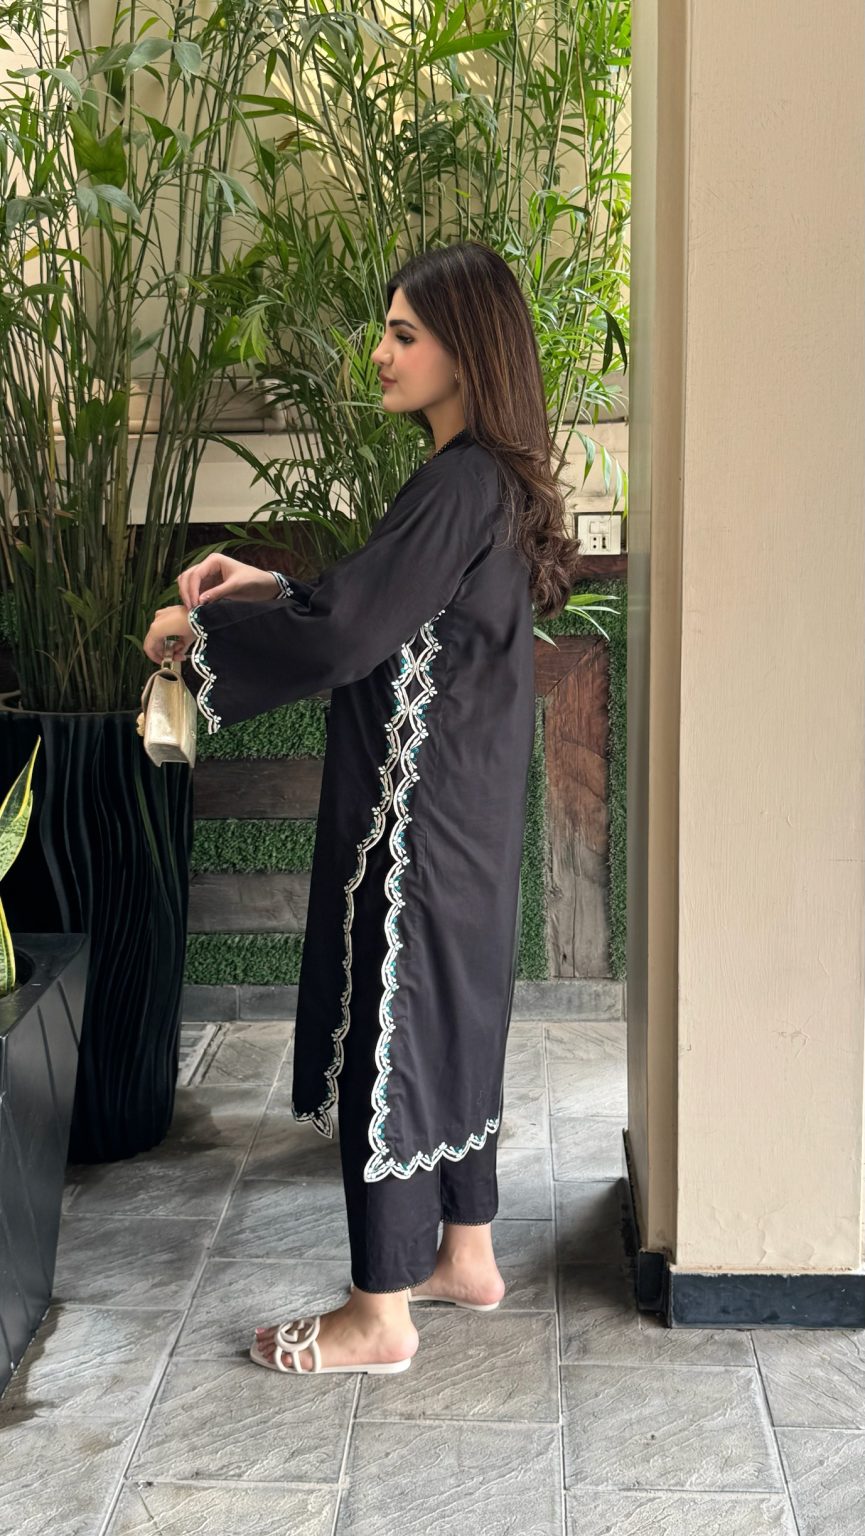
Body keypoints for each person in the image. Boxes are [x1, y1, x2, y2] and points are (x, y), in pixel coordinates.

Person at [144, 240, 582, 1377]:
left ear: (464, 350)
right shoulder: (482, 479)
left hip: (421, 821)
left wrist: (198, 640)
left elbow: (349, 634)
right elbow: (385, 612)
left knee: (400, 1029)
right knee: (449, 1019)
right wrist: (271, 588)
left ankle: (378, 1313)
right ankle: (464, 1254)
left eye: (403, 334)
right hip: (465, 817)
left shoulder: (456, 483)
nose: (379, 354)